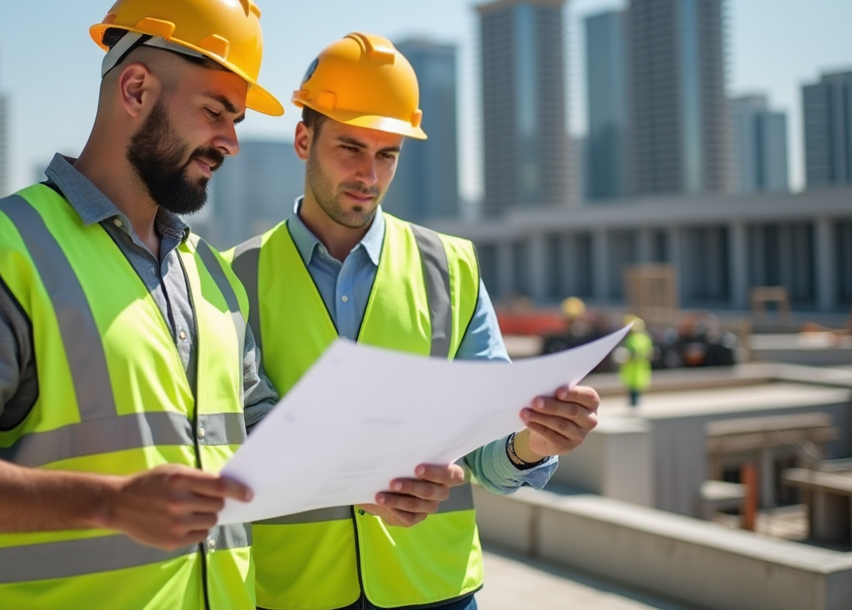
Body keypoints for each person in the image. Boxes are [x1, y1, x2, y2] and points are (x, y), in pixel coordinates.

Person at [0, 0, 289, 609]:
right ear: (137, 88)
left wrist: (369, 476)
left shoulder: (210, 275)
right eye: (214, 112)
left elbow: (258, 436)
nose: (230, 142)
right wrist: (109, 503)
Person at [226, 32, 601, 610]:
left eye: (387, 154)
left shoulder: (451, 268)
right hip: (293, 592)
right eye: (350, 148)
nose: (368, 176)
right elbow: (239, 441)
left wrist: (530, 442)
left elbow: (487, 454)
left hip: (435, 591)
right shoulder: (234, 278)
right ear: (304, 139)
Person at [618, 315, 653, 407]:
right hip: (640, 366)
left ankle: (634, 402)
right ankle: (635, 402)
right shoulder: (645, 338)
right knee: (636, 386)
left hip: (633, 367)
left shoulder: (631, 339)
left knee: (634, 386)